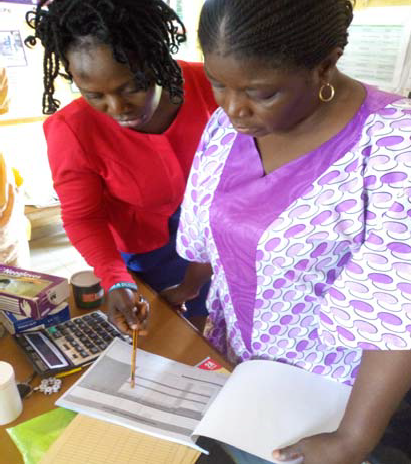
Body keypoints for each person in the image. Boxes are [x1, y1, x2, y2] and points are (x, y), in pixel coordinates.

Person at [162, 1, 411, 463]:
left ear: (324, 65)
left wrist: (352, 439)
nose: (234, 108)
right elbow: (215, 230)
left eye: (261, 91)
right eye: (218, 83)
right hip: (239, 363)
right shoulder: (228, 126)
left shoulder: (394, 144)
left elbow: (399, 313)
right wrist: (187, 289)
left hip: (332, 391)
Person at [25, 0, 217, 334]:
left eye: (132, 86)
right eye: (93, 94)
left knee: (218, 327)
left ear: (156, 59)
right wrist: (115, 279)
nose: (117, 108)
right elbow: (83, 217)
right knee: (177, 334)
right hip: (149, 248)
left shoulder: (211, 87)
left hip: (222, 236)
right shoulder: (72, 129)